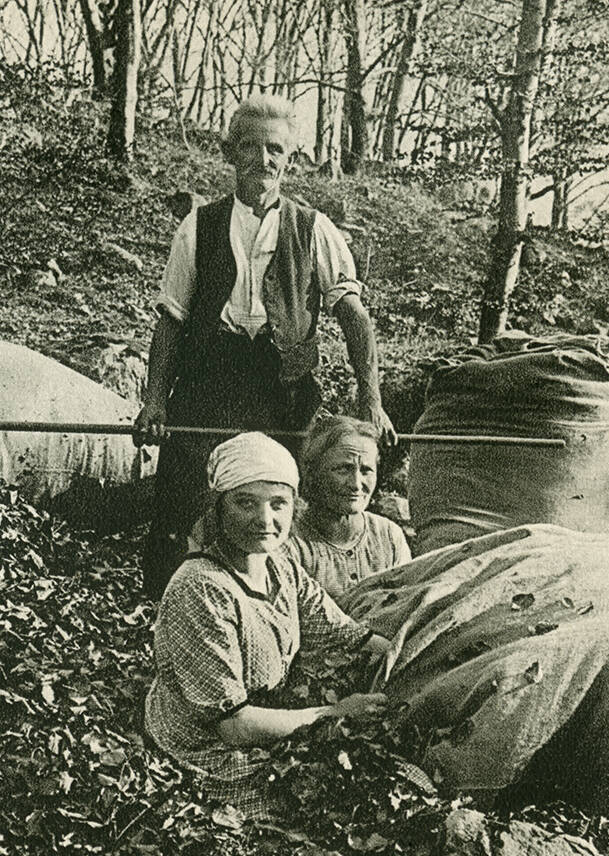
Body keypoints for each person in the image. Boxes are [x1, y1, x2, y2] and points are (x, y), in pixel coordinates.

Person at [134, 93, 396, 599]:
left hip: (285, 387)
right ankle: (171, 610)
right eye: (250, 148)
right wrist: (154, 400)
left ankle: (275, 611)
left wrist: (372, 401)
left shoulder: (314, 229)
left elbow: (354, 317)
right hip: (210, 382)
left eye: (275, 149)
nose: (263, 159)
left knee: (281, 505)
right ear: (230, 153)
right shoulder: (199, 226)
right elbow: (170, 320)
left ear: (290, 159)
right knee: (184, 500)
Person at [144, 432, 390, 818]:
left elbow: (344, 632)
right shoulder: (201, 588)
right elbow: (235, 727)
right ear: (218, 507)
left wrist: (406, 651)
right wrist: (336, 713)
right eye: (245, 503)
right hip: (205, 751)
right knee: (335, 810)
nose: (265, 520)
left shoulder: (280, 568)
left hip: (268, 719)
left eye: (278, 504)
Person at [288, 415, 411, 597]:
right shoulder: (292, 543)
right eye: (343, 469)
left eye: (366, 470)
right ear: (312, 472)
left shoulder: (388, 535)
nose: (356, 484)